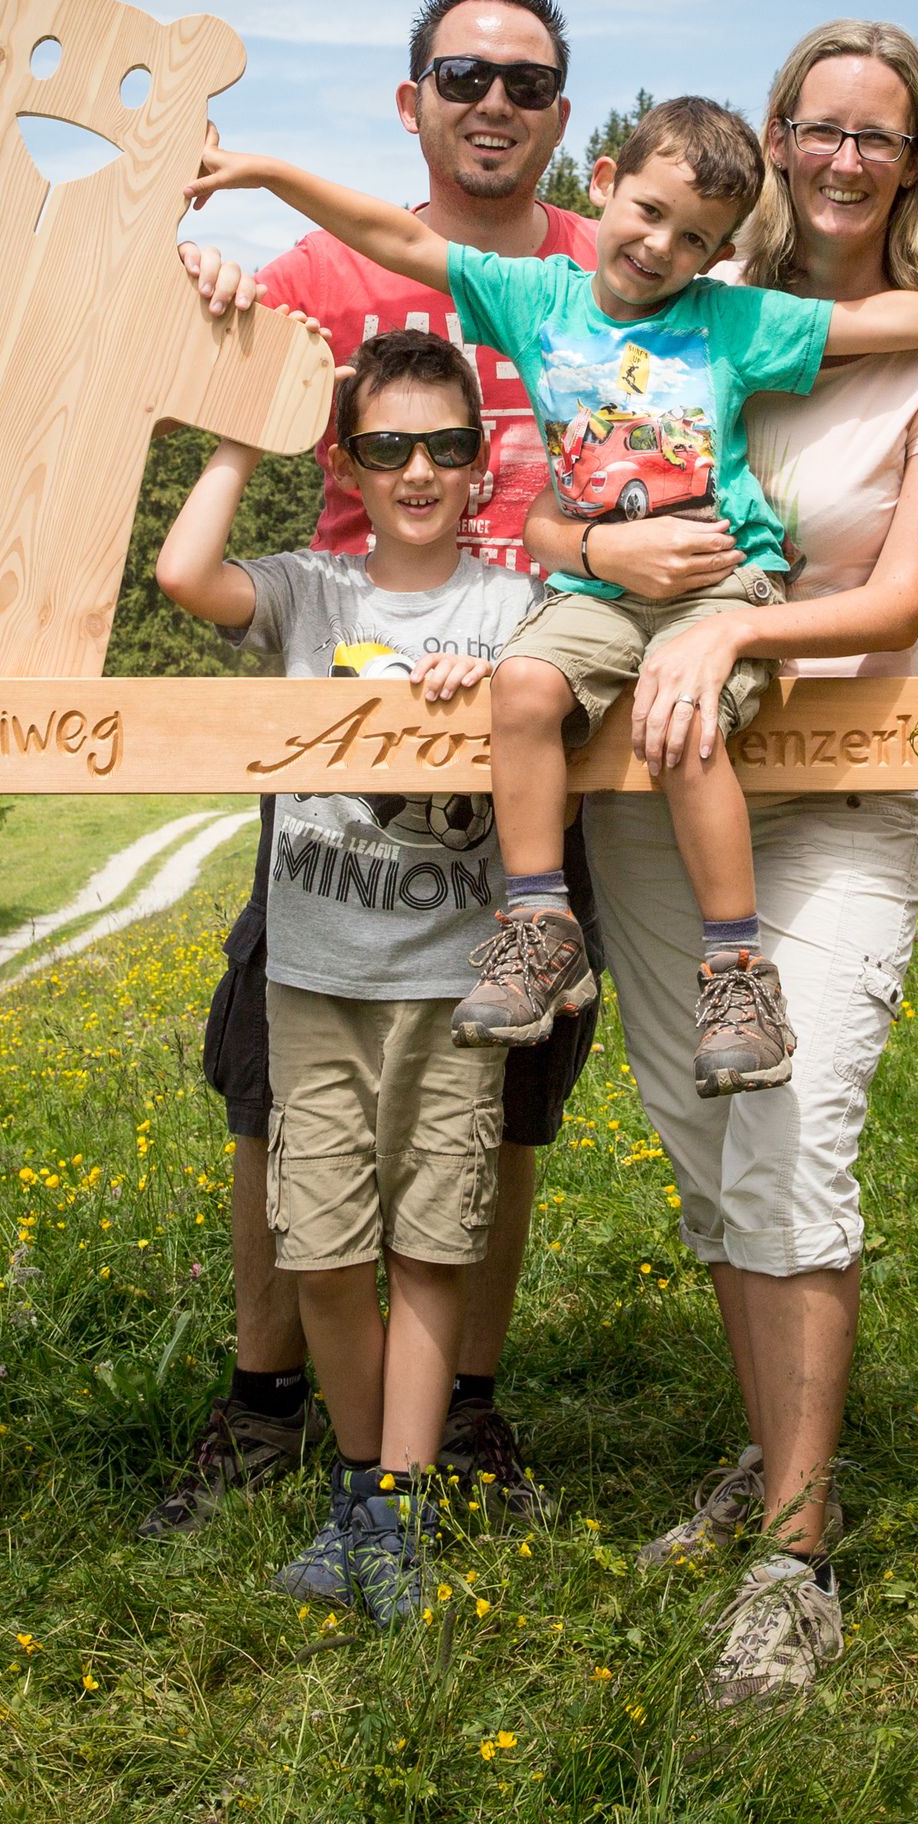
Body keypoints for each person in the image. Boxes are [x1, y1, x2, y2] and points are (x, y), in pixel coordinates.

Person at [186, 97, 918, 1126]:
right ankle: (537, 924)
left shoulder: (731, 320)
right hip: (596, 591)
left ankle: (736, 969)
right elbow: (397, 236)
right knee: (520, 690)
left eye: (695, 238)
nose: (659, 246)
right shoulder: (534, 297)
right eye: (648, 211)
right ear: (604, 184)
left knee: (681, 719)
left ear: (721, 252)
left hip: (718, 586)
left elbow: (876, 324)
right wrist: (263, 169)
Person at [519, 22, 918, 1705]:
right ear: (779, 136)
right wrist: (603, 556)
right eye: (815, 127)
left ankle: (797, 1561)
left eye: (876, 137)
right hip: (658, 803)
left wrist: (736, 630)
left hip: (834, 801)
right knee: (711, 1147)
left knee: (798, 1123)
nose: (840, 158)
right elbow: (552, 500)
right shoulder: (683, 314)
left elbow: (898, 605)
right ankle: (766, 1454)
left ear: (914, 158)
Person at [142, 0, 603, 1539]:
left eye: (527, 81)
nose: (493, 100)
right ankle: (268, 1400)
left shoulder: (612, 277)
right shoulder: (326, 266)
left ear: (561, 113)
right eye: (462, 74)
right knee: (279, 1084)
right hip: (342, 742)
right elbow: (201, 368)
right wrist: (197, 271)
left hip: (536, 734)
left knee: (502, 1098)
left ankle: (458, 1412)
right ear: (410, 101)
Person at [155, 330, 534, 1622]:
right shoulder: (313, 596)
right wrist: (239, 433)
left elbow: (569, 697)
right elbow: (182, 572)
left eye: (445, 445)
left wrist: (494, 682)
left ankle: (391, 1508)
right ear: (349, 464)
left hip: (453, 989)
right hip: (313, 983)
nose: (417, 469)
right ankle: (364, 1482)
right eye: (386, 447)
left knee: (433, 1248)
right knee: (321, 1254)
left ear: (480, 465)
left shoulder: (514, 606)